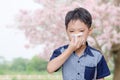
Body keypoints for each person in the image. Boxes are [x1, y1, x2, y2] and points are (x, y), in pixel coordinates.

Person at [47, 7, 110, 80]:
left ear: (89, 31)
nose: (76, 35)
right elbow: (50, 69)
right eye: (71, 31)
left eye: (81, 31)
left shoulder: (97, 56)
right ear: (66, 31)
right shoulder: (61, 52)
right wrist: (70, 49)